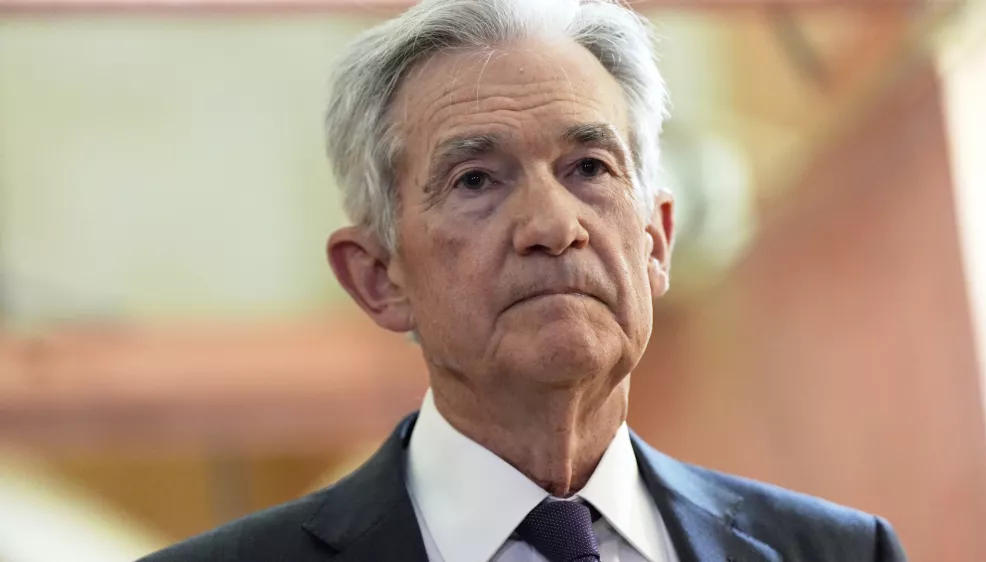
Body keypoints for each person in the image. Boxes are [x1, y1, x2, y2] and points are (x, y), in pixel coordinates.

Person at [139, 0, 907, 560]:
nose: (553, 225)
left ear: (656, 242)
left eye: (589, 168)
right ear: (377, 277)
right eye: (476, 180)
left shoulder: (836, 552)